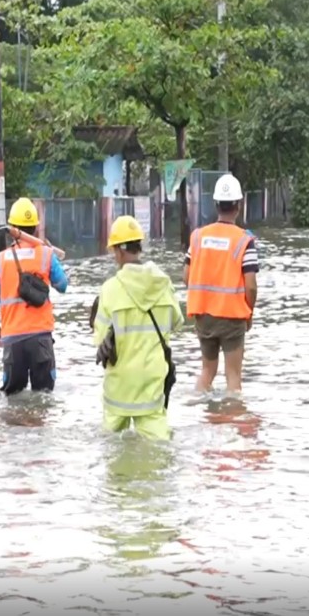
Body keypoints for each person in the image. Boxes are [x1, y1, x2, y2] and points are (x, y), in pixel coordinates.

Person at [93, 215, 183, 441]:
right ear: (139, 247)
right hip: (151, 386)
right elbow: (176, 322)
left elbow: (100, 340)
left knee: (112, 450)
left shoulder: (109, 290)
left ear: (119, 252)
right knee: (159, 449)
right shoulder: (163, 284)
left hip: (119, 388)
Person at [183, 173, 259, 394]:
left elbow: (186, 276)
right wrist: (249, 313)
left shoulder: (198, 237)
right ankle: (232, 423)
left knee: (207, 372)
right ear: (238, 205)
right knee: (233, 377)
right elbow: (251, 286)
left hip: (204, 317)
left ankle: (198, 411)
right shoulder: (245, 241)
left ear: (216, 204)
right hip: (232, 317)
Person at [0, 197, 69, 394]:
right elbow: (63, 285)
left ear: (13, 229)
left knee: (12, 399)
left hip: (13, 341)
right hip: (41, 339)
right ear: (35, 228)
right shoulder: (47, 255)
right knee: (44, 398)